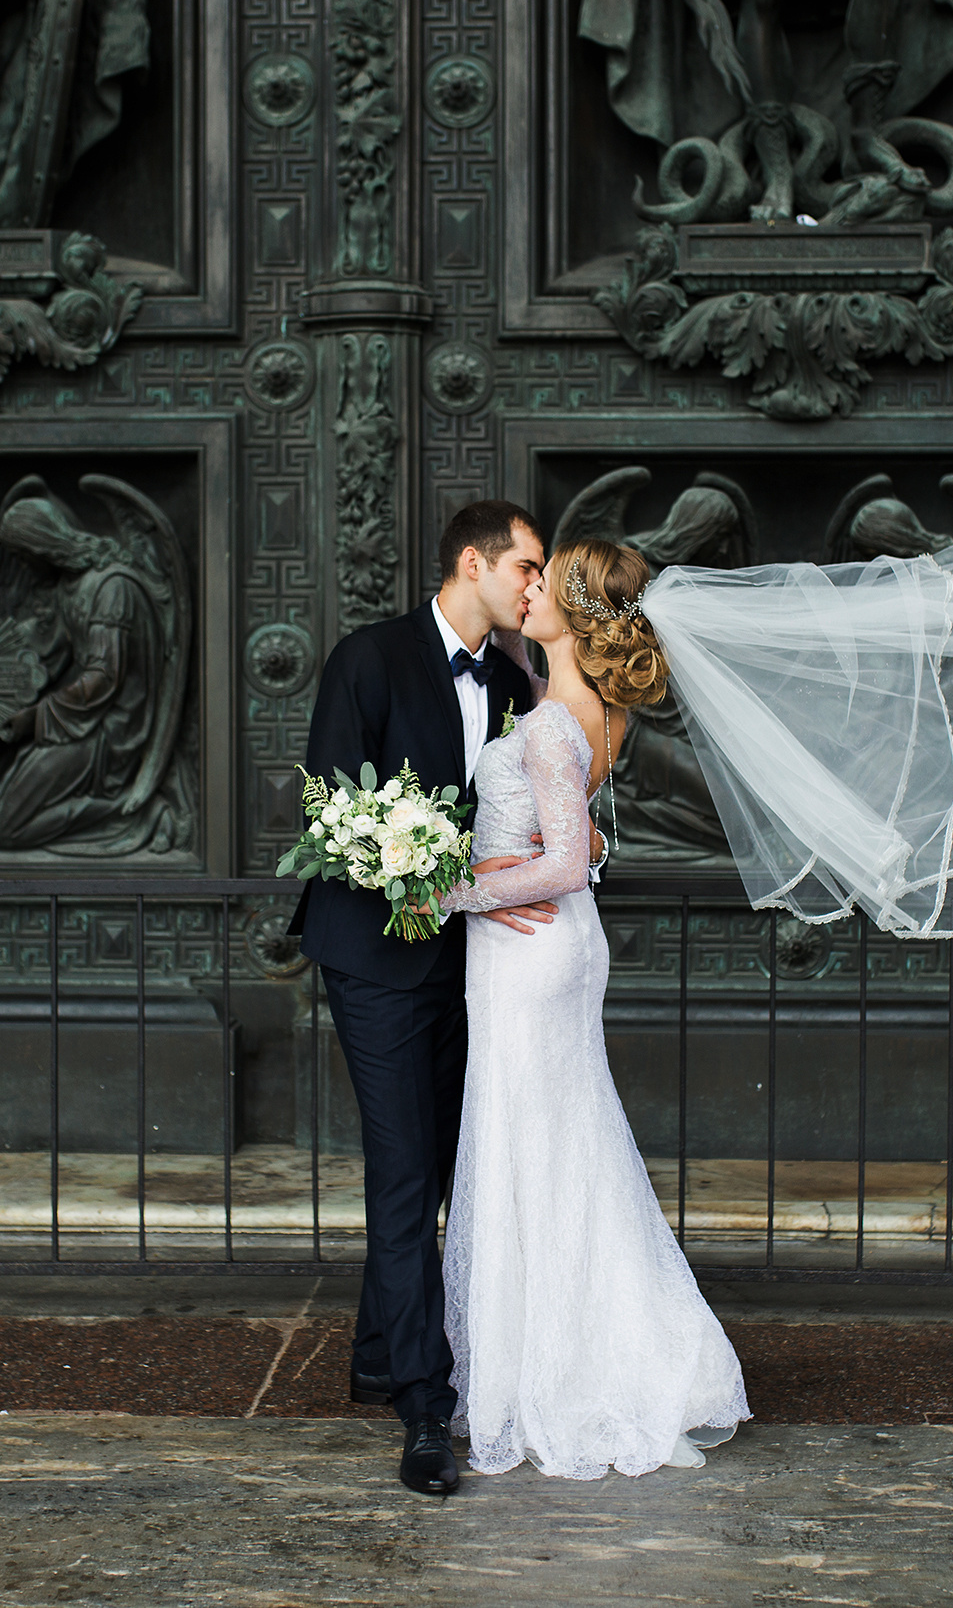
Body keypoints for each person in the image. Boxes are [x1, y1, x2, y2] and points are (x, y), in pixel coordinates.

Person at [436, 537, 752, 1480]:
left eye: (545, 582)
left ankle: (571, 1373)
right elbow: (584, 842)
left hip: (529, 950)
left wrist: (455, 890)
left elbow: (566, 863)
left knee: (538, 1148)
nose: (527, 590)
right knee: (562, 1144)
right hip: (549, 947)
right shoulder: (591, 713)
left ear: (574, 615)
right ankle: (575, 1353)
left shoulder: (547, 726)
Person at [290, 500, 557, 1497]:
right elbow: (329, 800)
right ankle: (424, 1409)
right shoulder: (370, 656)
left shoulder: (517, 677)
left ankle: (376, 1352)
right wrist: (405, 860)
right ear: (474, 562)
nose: (535, 585)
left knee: (441, 1170)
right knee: (406, 1179)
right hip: (375, 961)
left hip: (472, 966)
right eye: (526, 567)